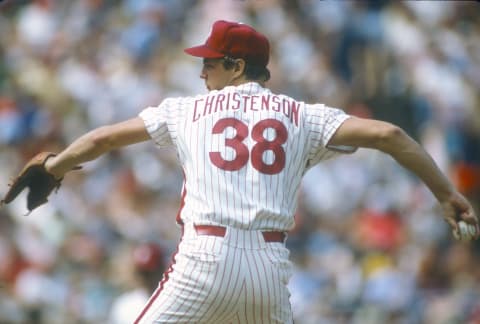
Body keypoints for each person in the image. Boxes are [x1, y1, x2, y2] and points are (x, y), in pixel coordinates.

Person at [40, 20, 478, 323]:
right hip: (268, 266)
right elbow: (391, 134)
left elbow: (102, 140)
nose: (201, 70)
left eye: (210, 62)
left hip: (203, 260)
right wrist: (446, 194)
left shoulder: (186, 110)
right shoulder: (303, 115)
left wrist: (53, 166)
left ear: (235, 66)